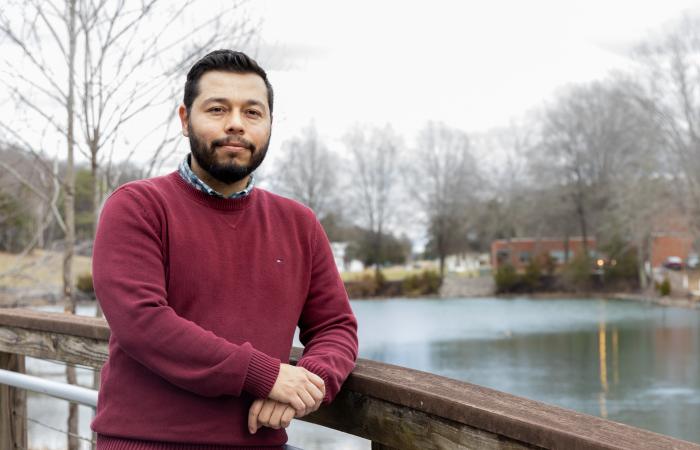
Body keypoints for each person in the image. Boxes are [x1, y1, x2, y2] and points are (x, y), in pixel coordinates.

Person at [90, 49, 359, 449]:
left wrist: (309, 383)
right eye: (217, 109)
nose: (236, 124)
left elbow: (336, 326)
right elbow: (142, 323)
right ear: (185, 119)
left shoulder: (298, 223)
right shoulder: (138, 206)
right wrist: (266, 375)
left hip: (261, 442)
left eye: (252, 113)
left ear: (269, 124)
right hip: (148, 442)